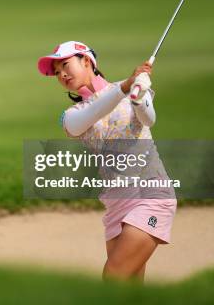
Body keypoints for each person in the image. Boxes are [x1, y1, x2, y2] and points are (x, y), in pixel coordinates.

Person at [37, 40, 177, 284]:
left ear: (87, 61)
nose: (62, 75)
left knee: (113, 278)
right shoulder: (72, 115)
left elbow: (149, 119)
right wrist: (125, 86)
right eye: (57, 72)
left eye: (66, 65)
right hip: (116, 207)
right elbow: (95, 112)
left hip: (150, 196)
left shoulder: (129, 91)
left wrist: (139, 96)